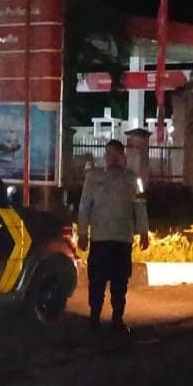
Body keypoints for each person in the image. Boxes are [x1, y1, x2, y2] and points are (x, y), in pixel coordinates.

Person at [77, 139, 149, 334]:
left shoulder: (133, 179)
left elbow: (140, 206)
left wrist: (143, 232)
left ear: (123, 157)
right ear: (105, 156)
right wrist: (82, 233)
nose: (113, 159)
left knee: (120, 283)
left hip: (122, 239)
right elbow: (84, 206)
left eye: (117, 155)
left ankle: (117, 320)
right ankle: (94, 319)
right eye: (109, 154)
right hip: (99, 239)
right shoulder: (93, 178)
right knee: (97, 282)